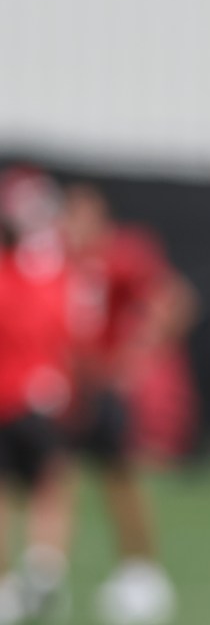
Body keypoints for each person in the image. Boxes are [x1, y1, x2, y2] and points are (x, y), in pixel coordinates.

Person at [59, 182, 198, 625]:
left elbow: (174, 301)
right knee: (48, 477)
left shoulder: (122, 254)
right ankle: (45, 571)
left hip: (103, 387)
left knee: (120, 478)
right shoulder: (54, 259)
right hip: (60, 387)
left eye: (84, 214)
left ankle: (141, 570)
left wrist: (137, 354)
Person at [0, 166, 73, 623]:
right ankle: (43, 570)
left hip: (8, 398)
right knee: (51, 488)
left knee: (7, 493)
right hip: (35, 399)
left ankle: (13, 583)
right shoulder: (51, 275)